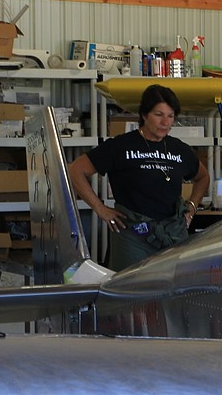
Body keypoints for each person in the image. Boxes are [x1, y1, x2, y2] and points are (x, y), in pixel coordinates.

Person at [70, 84, 210, 270]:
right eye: (158, 115)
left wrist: (192, 206)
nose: (165, 122)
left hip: (172, 233)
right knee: (130, 291)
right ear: (144, 115)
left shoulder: (180, 149)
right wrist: (100, 209)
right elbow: (76, 171)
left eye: (170, 116)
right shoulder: (120, 146)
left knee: (173, 288)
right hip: (132, 234)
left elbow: (203, 177)